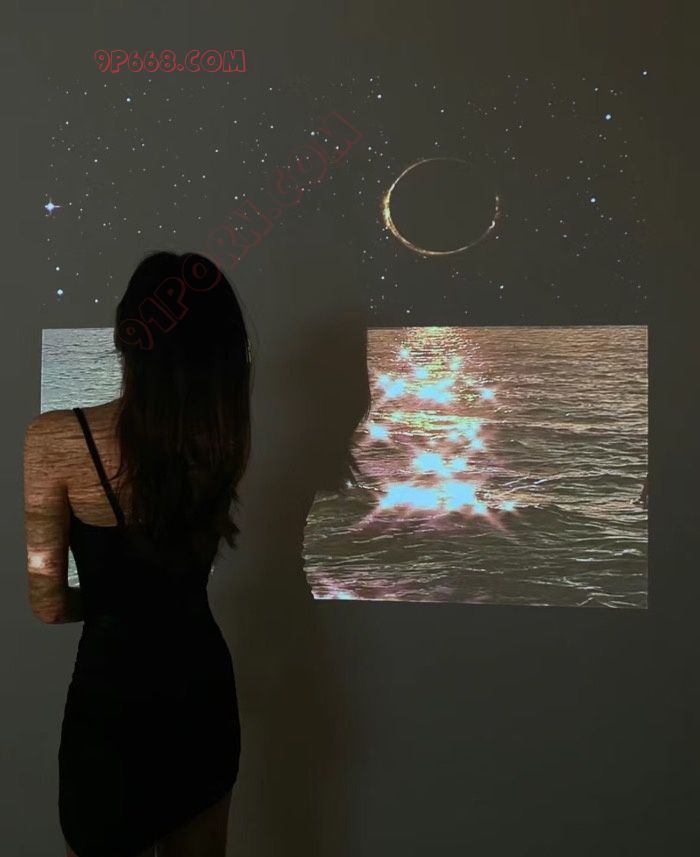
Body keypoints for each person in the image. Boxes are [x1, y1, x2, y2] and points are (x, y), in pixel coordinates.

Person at [23, 252, 252, 857]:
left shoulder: (54, 439)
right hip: (200, 690)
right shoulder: (225, 436)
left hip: (112, 697)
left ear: (127, 336)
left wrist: (111, 603)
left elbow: (47, 603)